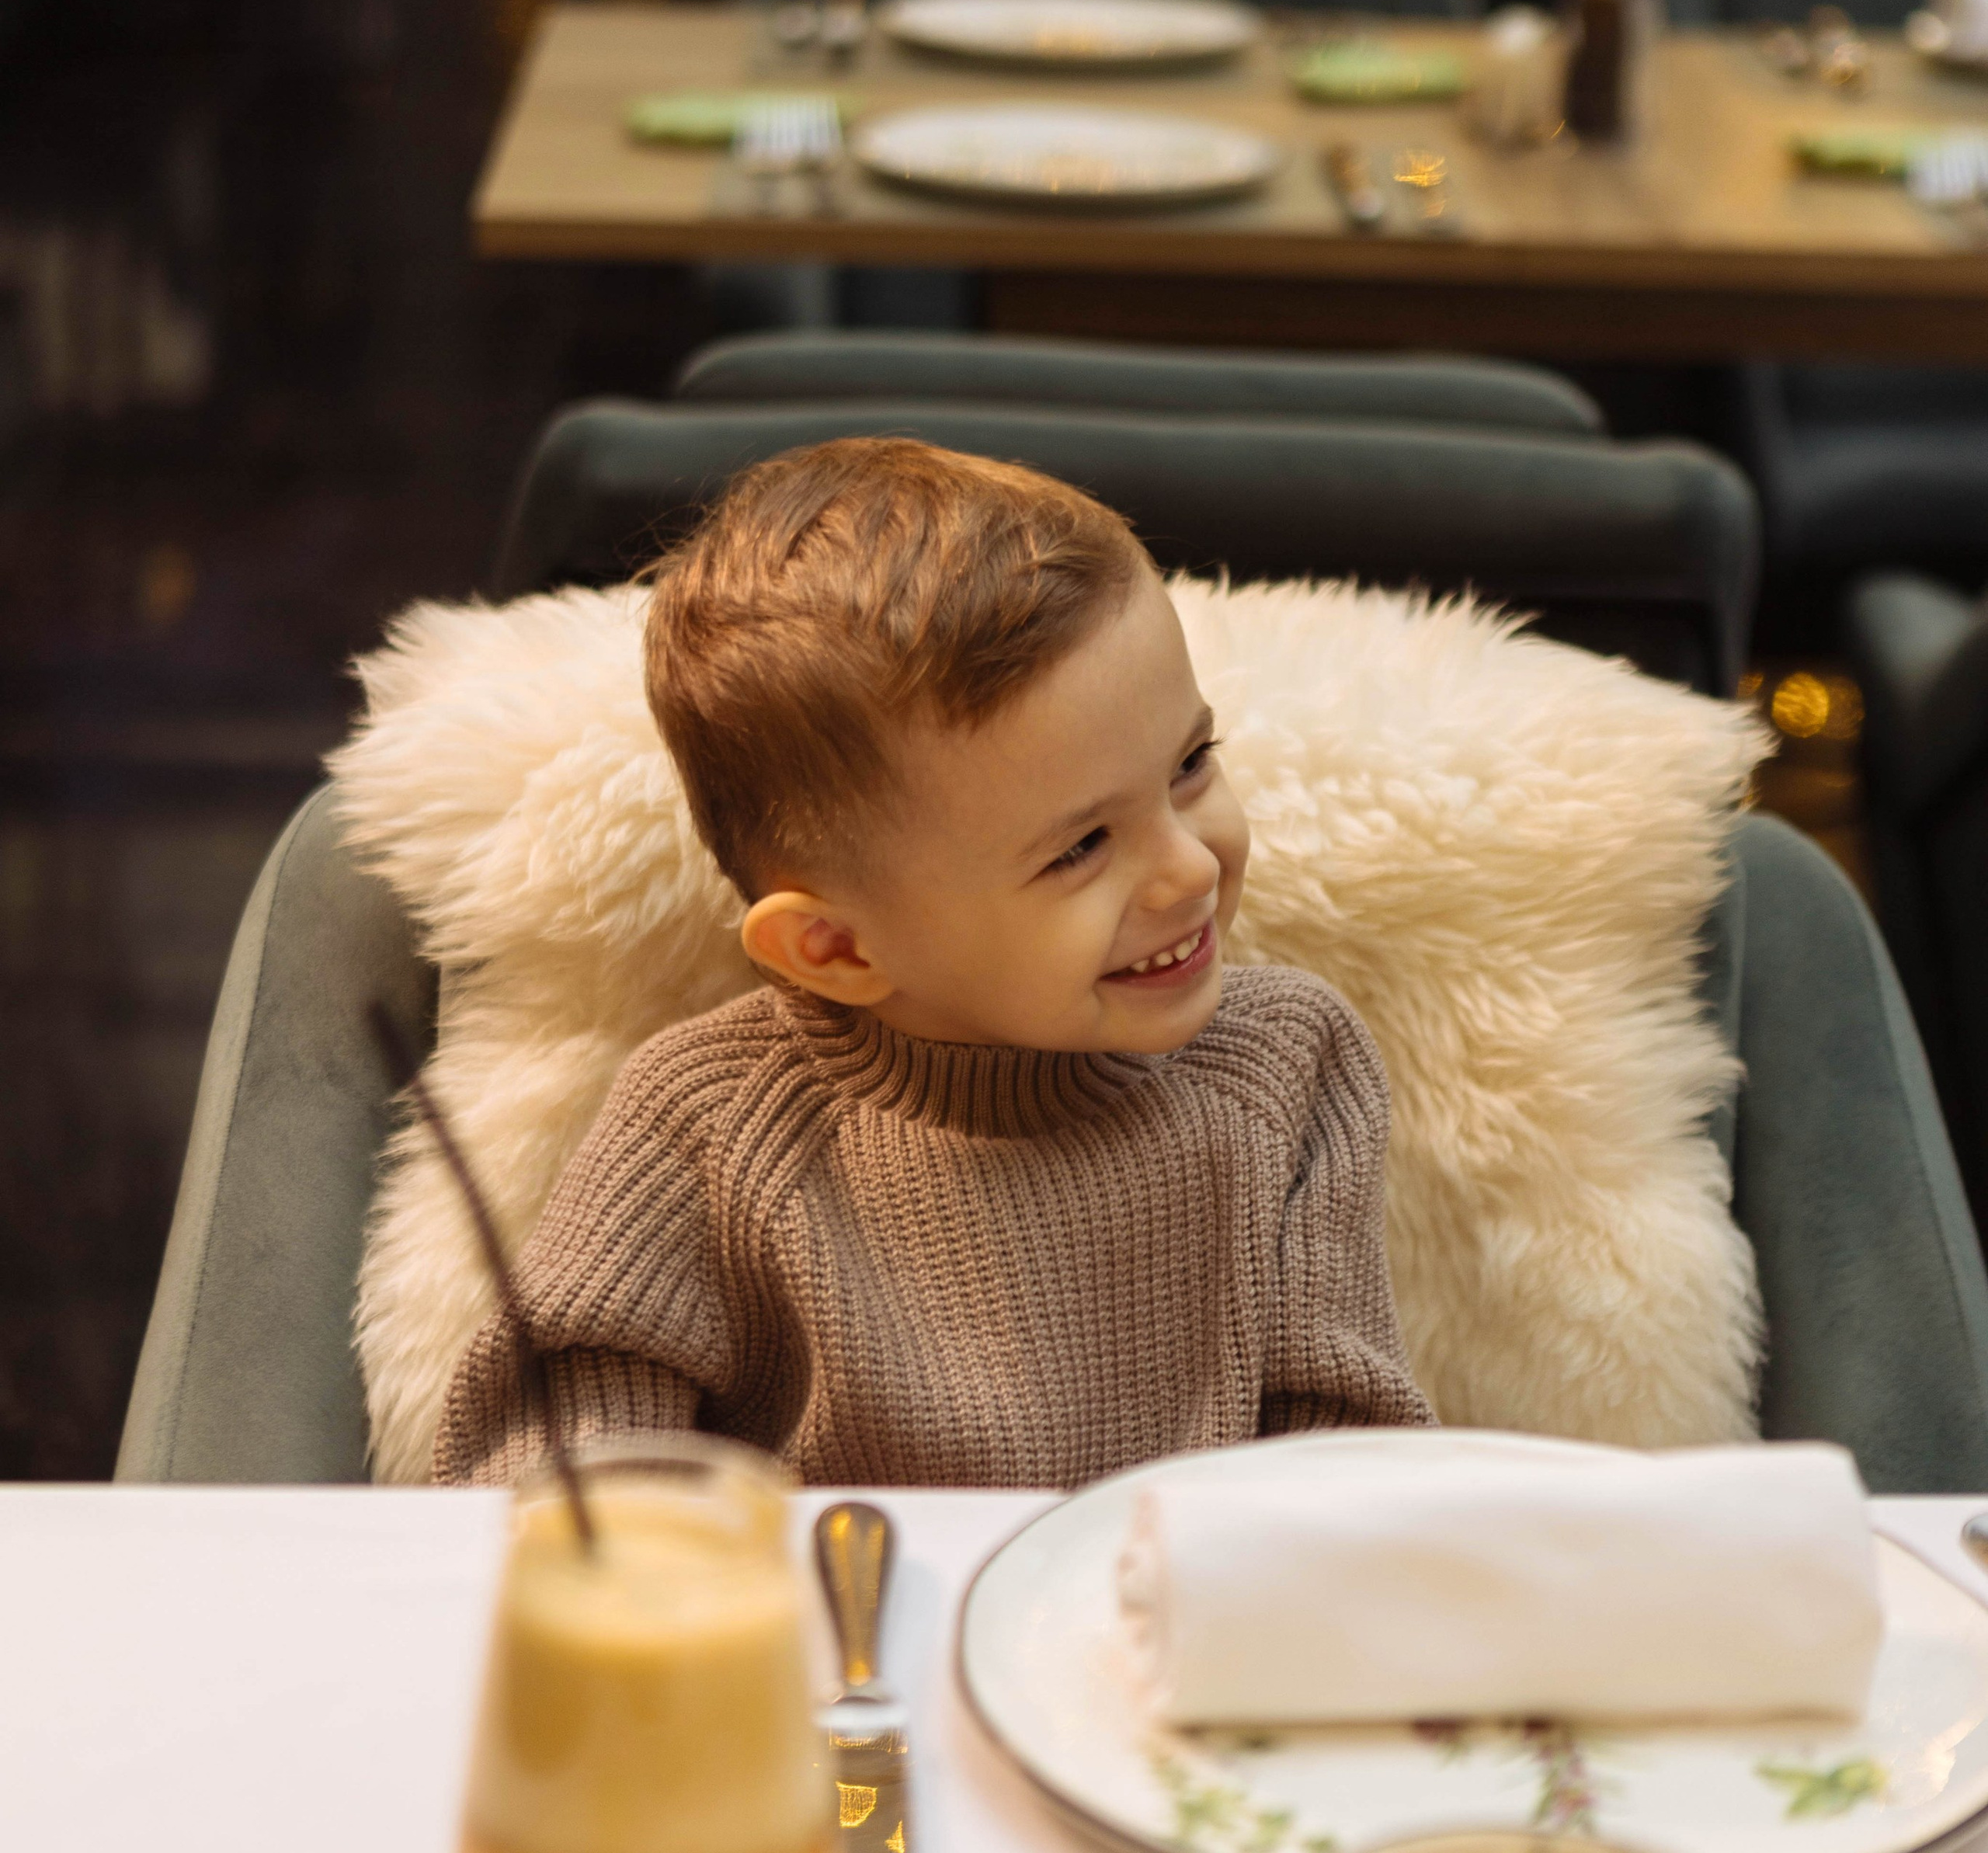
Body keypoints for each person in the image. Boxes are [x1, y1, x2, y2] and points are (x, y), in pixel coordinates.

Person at [431, 437, 1434, 1486]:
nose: (1187, 869)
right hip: (839, 1630)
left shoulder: (1290, 1066)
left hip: (1163, 1627)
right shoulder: (705, 1125)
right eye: (1080, 848)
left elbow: (1344, 1448)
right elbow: (552, 1452)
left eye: (1189, 766)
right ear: (836, 948)